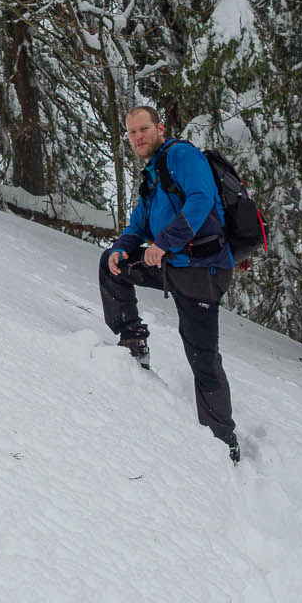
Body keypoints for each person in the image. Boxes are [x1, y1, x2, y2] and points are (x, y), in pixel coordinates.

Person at [100, 105, 238, 463]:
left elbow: (200, 200)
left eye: (143, 129)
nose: (138, 137)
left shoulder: (181, 155)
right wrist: (121, 249)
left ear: (159, 127)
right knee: (112, 266)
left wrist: (164, 243)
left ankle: (223, 441)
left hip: (203, 269)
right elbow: (138, 226)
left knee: (201, 355)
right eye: (131, 133)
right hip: (171, 265)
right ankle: (133, 341)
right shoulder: (152, 175)